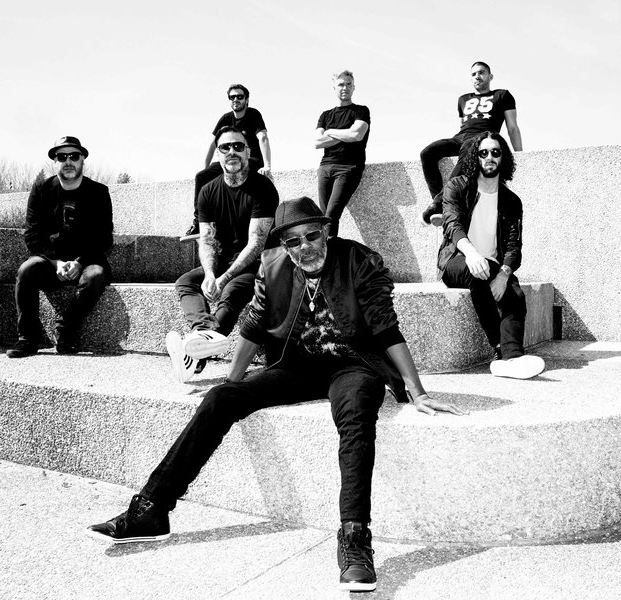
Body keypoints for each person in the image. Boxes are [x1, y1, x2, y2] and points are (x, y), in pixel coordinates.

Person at [87, 197, 466, 592]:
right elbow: (253, 327)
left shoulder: (359, 260)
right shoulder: (272, 266)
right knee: (219, 399)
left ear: (326, 232)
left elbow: (385, 328)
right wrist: (232, 384)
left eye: (311, 236)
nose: (305, 247)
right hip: (296, 363)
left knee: (356, 415)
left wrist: (417, 391)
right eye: (293, 241)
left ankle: (354, 541)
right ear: (284, 245)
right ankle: (150, 511)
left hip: (353, 364)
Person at [165, 126, 278, 382]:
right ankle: (202, 336)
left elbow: (256, 243)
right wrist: (209, 273)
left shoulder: (263, 188)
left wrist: (223, 277)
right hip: (222, 261)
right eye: (225, 147)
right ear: (218, 153)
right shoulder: (208, 191)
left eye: (238, 146)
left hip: (256, 264)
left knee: (231, 291)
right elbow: (207, 239)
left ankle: (194, 356)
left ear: (248, 152)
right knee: (186, 282)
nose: (232, 151)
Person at [438, 131, 544, 380]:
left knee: (515, 294)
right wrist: (471, 253)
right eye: (483, 152)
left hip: (493, 264)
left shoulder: (511, 200)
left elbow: (514, 245)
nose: (489, 157)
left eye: (495, 152)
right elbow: (452, 224)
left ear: (503, 157)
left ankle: (513, 357)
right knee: (476, 271)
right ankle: (500, 350)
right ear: (475, 157)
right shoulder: (457, 186)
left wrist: (504, 275)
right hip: (457, 260)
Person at [6, 136, 113, 358]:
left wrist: (80, 262)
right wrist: (56, 262)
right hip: (51, 262)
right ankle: (27, 339)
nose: (68, 161)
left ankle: (65, 330)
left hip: (87, 261)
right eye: (62, 157)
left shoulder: (99, 192)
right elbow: (32, 235)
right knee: (27, 269)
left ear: (82, 160)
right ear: (54, 162)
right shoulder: (41, 190)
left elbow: (103, 239)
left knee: (96, 275)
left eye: (74, 156)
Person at [420, 61, 523, 227]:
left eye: (481, 72)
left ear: (490, 76)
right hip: (461, 137)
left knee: (469, 147)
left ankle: (438, 204)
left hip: (483, 137)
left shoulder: (502, 95)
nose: (477, 76)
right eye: (474, 74)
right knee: (427, 153)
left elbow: (512, 127)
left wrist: (520, 154)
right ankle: (444, 205)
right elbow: (463, 126)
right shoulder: (463, 99)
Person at [184, 84, 272, 236]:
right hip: (229, 160)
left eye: (239, 96)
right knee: (201, 176)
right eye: (232, 97)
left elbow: (263, 137)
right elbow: (212, 145)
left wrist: (268, 166)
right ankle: (198, 222)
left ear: (246, 100)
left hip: (250, 159)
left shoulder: (253, 114)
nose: (235, 99)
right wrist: (206, 169)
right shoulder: (225, 118)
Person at [314, 70, 370, 238]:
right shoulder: (326, 115)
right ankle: (327, 251)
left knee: (331, 215)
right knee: (324, 218)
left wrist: (330, 132)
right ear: (334, 87)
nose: (345, 88)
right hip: (325, 167)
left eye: (348, 84)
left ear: (353, 87)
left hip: (348, 167)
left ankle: (329, 252)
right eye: (341, 84)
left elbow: (356, 135)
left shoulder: (361, 111)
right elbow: (317, 142)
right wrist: (346, 134)